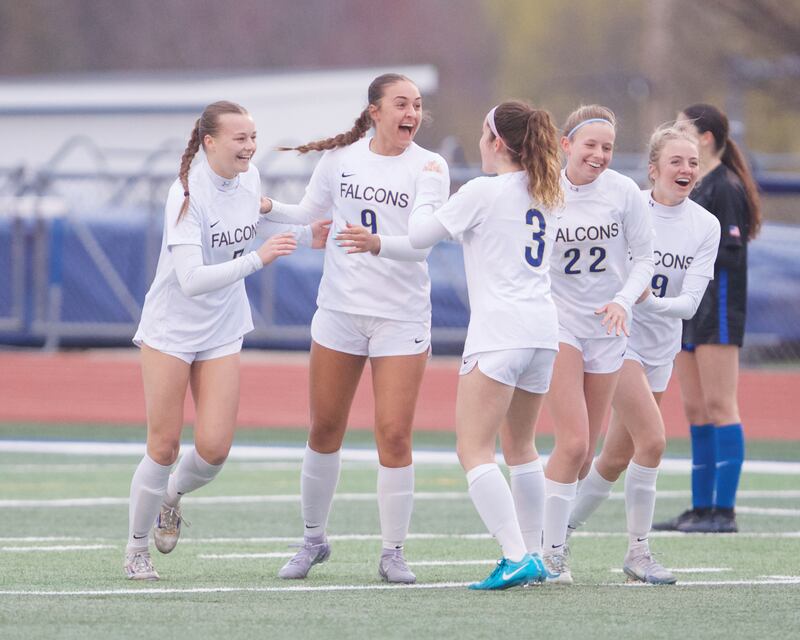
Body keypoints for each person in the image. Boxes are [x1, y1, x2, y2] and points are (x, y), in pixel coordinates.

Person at [124, 100, 329, 580]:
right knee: (164, 444)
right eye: (240, 138)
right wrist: (260, 260)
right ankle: (136, 550)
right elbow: (192, 279)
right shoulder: (185, 195)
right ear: (209, 143)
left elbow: (255, 227)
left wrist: (305, 236)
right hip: (171, 328)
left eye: (253, 137)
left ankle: (169, 497)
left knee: (214, 450)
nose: (250, 146)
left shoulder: (251, 180)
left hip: (222, 327)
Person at [261, 73, 450, 584]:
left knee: (393, 433)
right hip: (340, 310)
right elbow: (306, 212)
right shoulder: (341, 159)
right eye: (400, 104)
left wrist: (377, 244)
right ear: (374, 111)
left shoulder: (430, 166)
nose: (411, 113)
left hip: (401, 315)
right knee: (324, 429)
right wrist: (266, 206)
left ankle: (392, 552)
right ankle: (312, 540)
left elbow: (424, 241)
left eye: (416, 105)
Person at [408, 101, 563, 589]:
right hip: (542, 332)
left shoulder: (483, 190)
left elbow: (418, 237)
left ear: (498, 143)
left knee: (473, 449)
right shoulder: (549, 191)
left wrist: (429, 186)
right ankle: (535, 555)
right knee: (521, 448)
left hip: (500, 333)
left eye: (482, 134)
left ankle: (516, 554)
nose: (479, 142)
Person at [566, 125, 720, 583]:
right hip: (618, 336)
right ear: (653, 169)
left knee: (614, 459)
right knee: (653, 440)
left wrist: (648, 299)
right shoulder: (628, 204)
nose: (686, 170)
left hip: (660, 348)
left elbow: (690, 304)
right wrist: (623, 299)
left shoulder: (704, 225)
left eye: (692, 163)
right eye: (676, 161)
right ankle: (639, 552)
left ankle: (553, 533)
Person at [541, 105, 654, 584]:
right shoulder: (543, 189)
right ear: (566, 145)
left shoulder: (624, 192)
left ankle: (551, 538)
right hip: (558, 322)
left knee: (585, 454)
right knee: (574, 442)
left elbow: (645, 258)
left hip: (608, 328)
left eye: (607, 147)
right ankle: (547, 555)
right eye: (590, 145)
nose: (600, 154)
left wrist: (623, 301)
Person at [653, 104, 762, 534]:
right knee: (695, 408)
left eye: (682, 130)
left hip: (717, 308)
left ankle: (724, 511)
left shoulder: (725, 187)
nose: (674, 135)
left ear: (706, 139)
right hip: (689, 311)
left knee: (720, 405)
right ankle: (701, 507)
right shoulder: (693, 188)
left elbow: (729, 253)